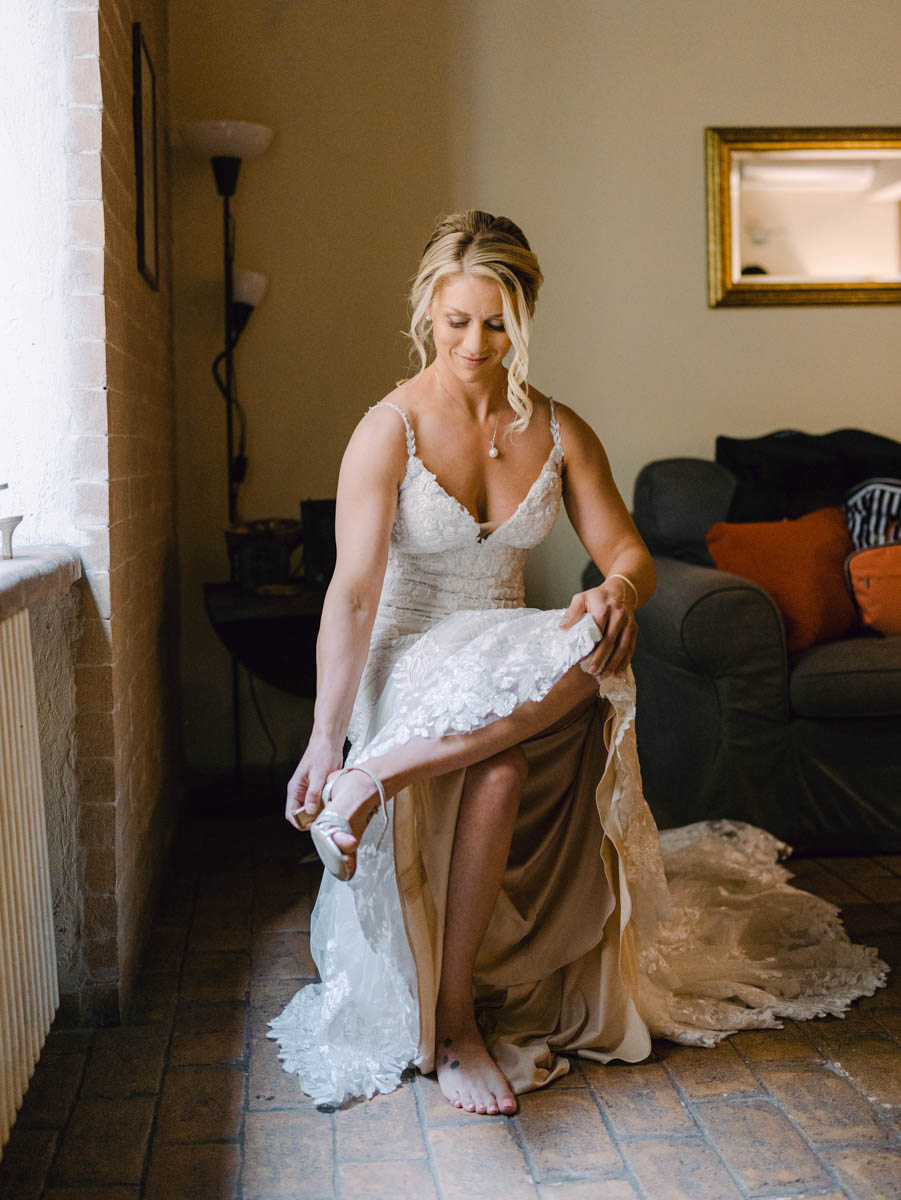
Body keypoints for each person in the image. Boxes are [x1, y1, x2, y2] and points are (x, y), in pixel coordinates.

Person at [269, 210, 888, 1116]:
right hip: (405, 657)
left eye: (495, 321)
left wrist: (618, 595)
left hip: (504, 660)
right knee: (502, 763)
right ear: (427, 315)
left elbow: (626, 553)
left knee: (586, 640)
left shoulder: (556, 430)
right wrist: (326, 738)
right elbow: (354, 594)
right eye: (456, 320)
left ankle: (383, 795)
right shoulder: (386, 430)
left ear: (523, 317)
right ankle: (449, 1022)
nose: (475, 343)